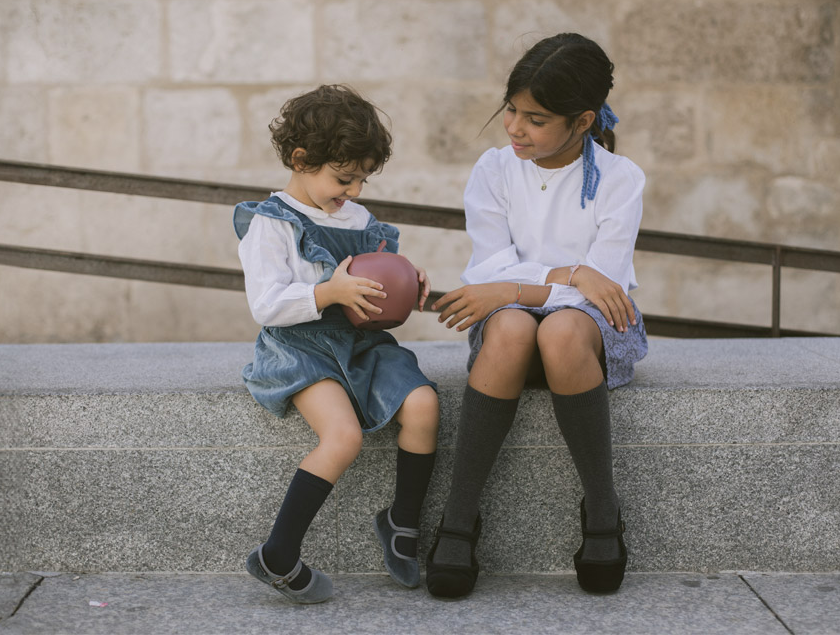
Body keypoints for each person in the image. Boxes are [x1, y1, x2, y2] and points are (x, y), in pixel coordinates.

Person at [428, 32, 646, 598]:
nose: (515, 128)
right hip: (511, 333)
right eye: (512, 110)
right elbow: (490, 269)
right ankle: (459, 515)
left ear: (582, 121)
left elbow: (604, 292)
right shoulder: (496, 170)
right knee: (513, 325)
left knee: (564, 332)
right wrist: (569, 275)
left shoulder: (621, 182)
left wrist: (521, 286)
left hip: (591, 337)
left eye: (537, 119)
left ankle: (602, 508)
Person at [233, 84, 441, 603]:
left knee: (424, 405)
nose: (351, 191)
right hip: (300, 348)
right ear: (301, 160)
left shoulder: (360, 220)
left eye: (361, 180)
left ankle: (401, 521)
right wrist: (328, 291)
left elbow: (377, 276)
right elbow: (266, 305)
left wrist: (405, 278)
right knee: (342, 437)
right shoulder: (271, 223)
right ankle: (278, 553)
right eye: (343, 178)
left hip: (362, 345)